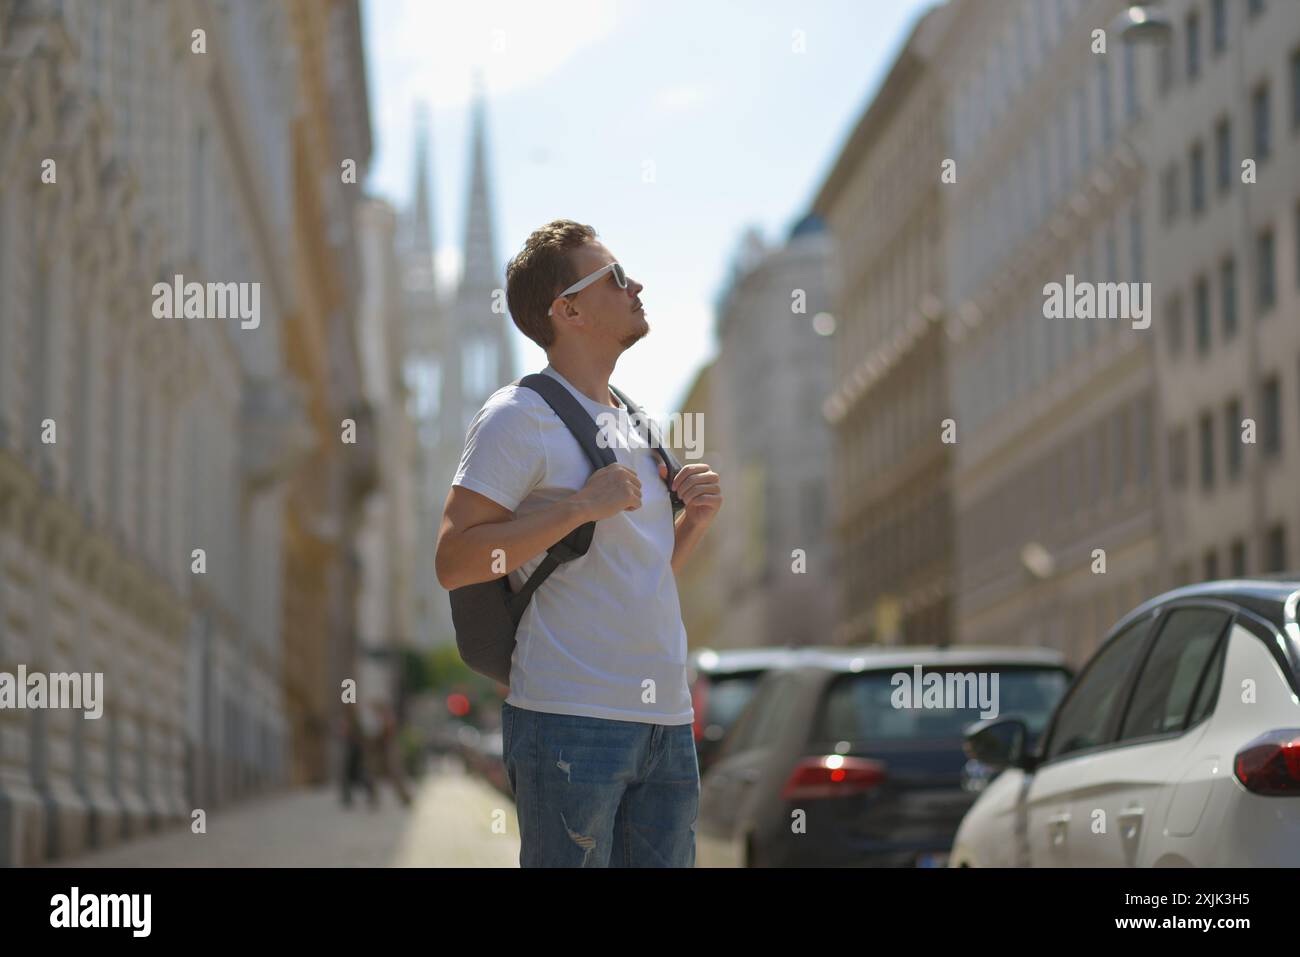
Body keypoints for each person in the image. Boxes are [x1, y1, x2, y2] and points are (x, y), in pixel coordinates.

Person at [434, 220, 722, 867]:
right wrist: (577, 506)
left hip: (666, 723)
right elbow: (454, 560)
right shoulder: (516, 416)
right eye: (616, 278)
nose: (637, 285)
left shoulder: (639, 423)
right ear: (568, 311)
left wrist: (692, 523)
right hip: (569, 720)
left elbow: (638, 573)